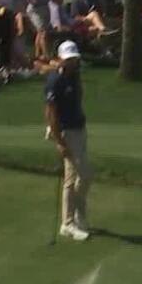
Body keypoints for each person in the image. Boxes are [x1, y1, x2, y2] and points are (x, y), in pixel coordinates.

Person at [45, 41, 91, 241]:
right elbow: (50, 112)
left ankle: (77, 215)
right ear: (61, 59)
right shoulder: (55, 81)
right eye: (69, 59)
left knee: (84, 176)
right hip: (66, 132)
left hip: (79, 129)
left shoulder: (75, 76)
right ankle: (68, 223)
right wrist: (59, 141)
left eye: (74, 59)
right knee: (74, 177)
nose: (73, 62)